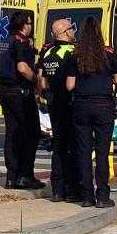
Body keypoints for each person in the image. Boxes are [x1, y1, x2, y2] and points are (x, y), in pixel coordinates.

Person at [64, 17, 117, 208]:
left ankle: (87, 196)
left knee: (83, 152)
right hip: (103, 106)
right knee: (102, 152)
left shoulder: (75, 56)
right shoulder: (109, 54)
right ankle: (103, 196)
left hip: (81, 105)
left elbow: (69, 85)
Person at [0, 10, 43, 190]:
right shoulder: (21, 42)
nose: (31, 27)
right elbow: (23, 68)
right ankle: (25, 175)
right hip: (21, 93)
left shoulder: (4, 43)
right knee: (31, 133)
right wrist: (36, 80)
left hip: (6, 93)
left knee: (12, 135)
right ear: (24, 25)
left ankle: (11, 177)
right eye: (30, 23)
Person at [37, 18, 81, 203]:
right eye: (72, 28)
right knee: (73, 146)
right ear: (66, 32)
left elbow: (42, 81)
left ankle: (57, 189)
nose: (74, 31)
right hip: (70, 104)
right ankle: (72, 189)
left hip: (54, 103)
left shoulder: (47, 53)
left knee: (58, 146)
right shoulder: (71, 51)